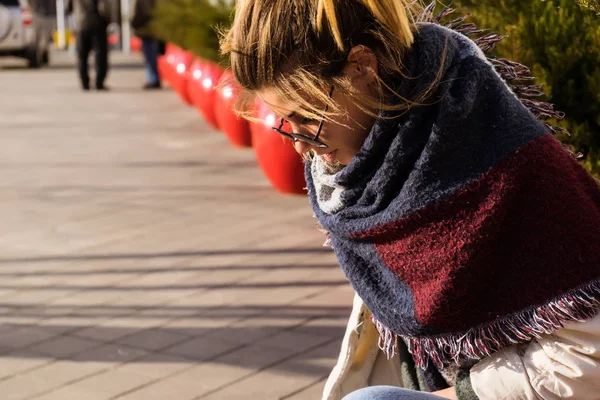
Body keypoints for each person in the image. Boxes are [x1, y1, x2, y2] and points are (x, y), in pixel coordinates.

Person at [221, 0, 600, 399]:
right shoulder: (377, 178)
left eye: (308, 116)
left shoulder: (507, 170)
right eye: (285, 123)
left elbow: (587, 359)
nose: (300, 147)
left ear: (362, 67)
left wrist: (457, 394)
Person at [65, 0, 110, 91]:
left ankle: (85, 83)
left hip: (81, 26)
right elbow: (104, 8)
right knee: (100, 55)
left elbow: (68, 9)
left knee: (82, 56)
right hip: (98, 25)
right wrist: (106, 21)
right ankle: (99, 83)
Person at [131, 0, 162, 89]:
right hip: (148, 27)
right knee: (149, 53)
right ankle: (152, 78)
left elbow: (146, 12)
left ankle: (153, 79)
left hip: (148, 28)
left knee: (150, 53)